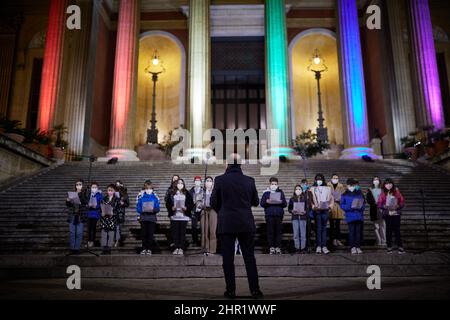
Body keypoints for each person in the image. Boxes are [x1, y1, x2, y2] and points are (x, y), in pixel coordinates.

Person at [211, 153, 263, 300]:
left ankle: (231, 291)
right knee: (249, 258)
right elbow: (255, 202)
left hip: (226, 223)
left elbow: (213, 202)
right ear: (241, 164)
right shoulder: (249, 180)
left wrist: (223, 211)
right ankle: (255, 291)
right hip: (246, 222)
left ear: (227, 164)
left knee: (227, 259)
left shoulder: (220, 180)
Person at [166, 178, 194, 255]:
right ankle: (176, 248)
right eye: (179, 183)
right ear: (176, 184)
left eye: (182, 183)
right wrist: (171, 207)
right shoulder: (171, 193)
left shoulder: (186, 193)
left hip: (183, 216)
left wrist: (186, 208)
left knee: (182, 233)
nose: (180, 184)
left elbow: (191, 203)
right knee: (175, 233)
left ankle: (181, 248)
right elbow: (168, 203)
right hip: (174, 216)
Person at [260, 177, 287, 254]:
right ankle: (271, 247)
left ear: (277, 184)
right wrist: (267, 202)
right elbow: (262, 204)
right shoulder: (266, 193)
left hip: (278, 214)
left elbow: (285, 204)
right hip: (269, 214)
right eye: (272, 184)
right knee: (270, 231)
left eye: (275, 184)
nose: (274, 185)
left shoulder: (281, 192)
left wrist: (280, 201)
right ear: (270, 184)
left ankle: (278, 247)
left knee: (278, 231)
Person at [378, 178, 405, 254]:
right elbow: (379, 203)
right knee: (388, 231)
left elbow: (402, 201)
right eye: (386, 184)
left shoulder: (397, 192)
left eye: (390, 183)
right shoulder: (383, 193)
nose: (388, 185)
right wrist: (384, 206)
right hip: (388, 214)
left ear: (392, 184)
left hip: (396, 214)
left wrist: (398, 206)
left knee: (397, 231)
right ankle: (389, 247)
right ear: (384, 185)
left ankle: (400, 246)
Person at [309, 174, 334, 255]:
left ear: (323, 180)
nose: (319, 181)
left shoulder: (328, 188)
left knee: (324, 228)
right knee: (318, 229)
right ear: (315, 180)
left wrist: (330, 207)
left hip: (325, 210)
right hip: (317, 211)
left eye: (320, 179)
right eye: (317, 179)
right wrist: (313, 206)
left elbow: (331, 199)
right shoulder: (312, 189)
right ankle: (318, 246)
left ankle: (324, 246)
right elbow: (310, 200)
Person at [340, 179, 366, 254]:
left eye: (353, 185)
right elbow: (342, 205)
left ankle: (358, 246)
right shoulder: (344, 194)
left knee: (358, 232)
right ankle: (352, 247)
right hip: (350, 215)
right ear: (347, 186)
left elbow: (363, 204)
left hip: (358, 215)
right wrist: (350, 207)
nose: (351, 187)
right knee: (351, 232)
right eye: (350, 185)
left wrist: (360, 207)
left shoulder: (359, 194)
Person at [136, 180, 161, 255]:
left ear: (152, 188)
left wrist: (153, 209)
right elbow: (138, 207)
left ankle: (149, 248)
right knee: (144, 234)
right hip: (143, 218)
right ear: (144, 188)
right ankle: (144, 248)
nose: (148, 190)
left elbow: (158, 207)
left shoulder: (155, 196)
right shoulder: (141, 196)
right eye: (147, 188)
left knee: (150, 234)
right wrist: (143, 210)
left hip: (152, 218)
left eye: (150, 188)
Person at [65, 179, 88, 254]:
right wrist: (68, 200)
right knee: (72, 232)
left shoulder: (85, 193)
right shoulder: (72, 194)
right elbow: (69, 205)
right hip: (72, 214)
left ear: (82, 185)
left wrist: (82, 194)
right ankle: (72, 248)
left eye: (80, 184)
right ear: (75, 186)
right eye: (77, 184)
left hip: (80, 215)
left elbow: (86, 202)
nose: (78, 186)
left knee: (79, 233)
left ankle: (77, 248)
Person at [100, 184, 120, 255]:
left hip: (112, 219)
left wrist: (113, 213)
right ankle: (103, 249)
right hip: (104, 219)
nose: (110, 192)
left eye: (111, 190)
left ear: (114, 191)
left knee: (111, 234)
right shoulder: (104, 199)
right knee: (104, 234)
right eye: (109, 190)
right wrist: (102, 212)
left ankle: (108, 249)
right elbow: (101, 208)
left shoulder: (117, 200)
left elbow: (118, 210)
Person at [288, 185, 308, 254]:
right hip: (295, 218)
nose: (298, 190)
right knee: (296, 234)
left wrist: (305, 211)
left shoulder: (305, 198)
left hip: (303, 218)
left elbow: (307, 208)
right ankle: (297, 248)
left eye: (299, 189)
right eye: (296, 189)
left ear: (302, 190)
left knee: (303, 234)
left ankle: (302, 248)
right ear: (294, 190)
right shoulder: (292, 199)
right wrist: (292, 211)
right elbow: (289, 208)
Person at [366, 176, 386, 246]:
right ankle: (378, 241)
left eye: (377, 179)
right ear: (372, 181)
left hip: (382, 209)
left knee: (382, 225)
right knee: (376, 227)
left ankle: (384, 241)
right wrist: (374, 202)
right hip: (374, 209)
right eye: (374, 180)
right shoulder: (370, 190)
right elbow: (368, 200)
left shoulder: (383, 190)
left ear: (379, 181)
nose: (376, 181)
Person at [328, 174, 346, 248]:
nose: (335, 179)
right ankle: (332, 240)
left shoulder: (341, 186)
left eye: (336, 178)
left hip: (338, 207)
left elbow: (344, 195)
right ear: (331, 178)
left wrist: (340, 199)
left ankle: (338, 239)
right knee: (332, 225)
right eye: (334, 178)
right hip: (331, 207)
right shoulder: (328, 185)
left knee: (338, 225)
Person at [201, 176, 217, 255]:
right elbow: (197, 201)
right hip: (204, 210)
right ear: (204, 182)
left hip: (213, 210)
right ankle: (205, 249)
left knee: (212, 230)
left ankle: (212, 250)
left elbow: (218, 201)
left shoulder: (215, 191)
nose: (208, 182)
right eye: (207, 181)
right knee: (204, 230)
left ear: (212, 183)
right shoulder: (202, 191)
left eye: (210, 181)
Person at [86, 182, 103, 248]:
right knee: (89, 228)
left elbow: (101, 204)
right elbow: (86, 202)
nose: (94, 188)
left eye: (95, 187)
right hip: (89, 213)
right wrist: (88, 205)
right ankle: (88, 241)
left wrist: (96, 206)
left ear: (97, 188)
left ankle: (92, 241)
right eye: (92, 187)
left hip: (95, 213)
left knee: (93, 228)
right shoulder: (89, 194)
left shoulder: (99, 194)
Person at [114, 180, 129, 247]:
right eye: (116, 185)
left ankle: (117, 240)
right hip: (113, 212)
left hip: (120, 212)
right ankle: (113, 240)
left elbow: (127, 203)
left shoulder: (125, 193)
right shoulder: (113, 192)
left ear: (122, 185)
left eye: (119, 184)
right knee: (113, 227)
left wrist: (123, 203)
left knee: (118, 227)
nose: (118, 186)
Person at [189, 176, 204, 247]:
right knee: (193, 226)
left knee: (202, 226)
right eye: (196, 180)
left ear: (201, 182)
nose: (197, 182)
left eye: (198, 180)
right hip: (194, 210)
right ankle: (195, 240)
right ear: (194, 182)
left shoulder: (203, 190)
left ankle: (202, 240)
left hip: (201, 210)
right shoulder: (191, 191)